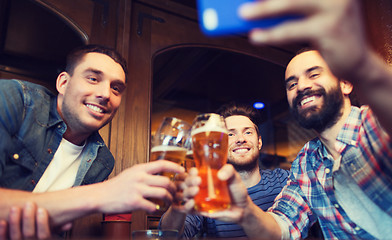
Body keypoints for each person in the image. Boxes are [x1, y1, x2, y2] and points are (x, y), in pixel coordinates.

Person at [182, 0, 392, 239]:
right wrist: (246, 211)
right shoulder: (306, 161)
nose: (301, 86)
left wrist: (362, 63)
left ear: (345, 82)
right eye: (292, 84)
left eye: (314, 74)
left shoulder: (376, 124)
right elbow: (282, 228)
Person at [0, 45, 184, 239]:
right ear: (63, 83)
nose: (105, 94)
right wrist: (103, 193)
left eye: (116, 88)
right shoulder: (14, 99)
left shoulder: (102, 160)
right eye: (93, 79)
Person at [160, 102, 289, 238]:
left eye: (248, 132)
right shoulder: (207, 189)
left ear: (260, 142)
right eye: (231, 135)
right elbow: (170, 236)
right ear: (220, 145)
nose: (240, 139)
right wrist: (177, 207)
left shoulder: (284, 180)